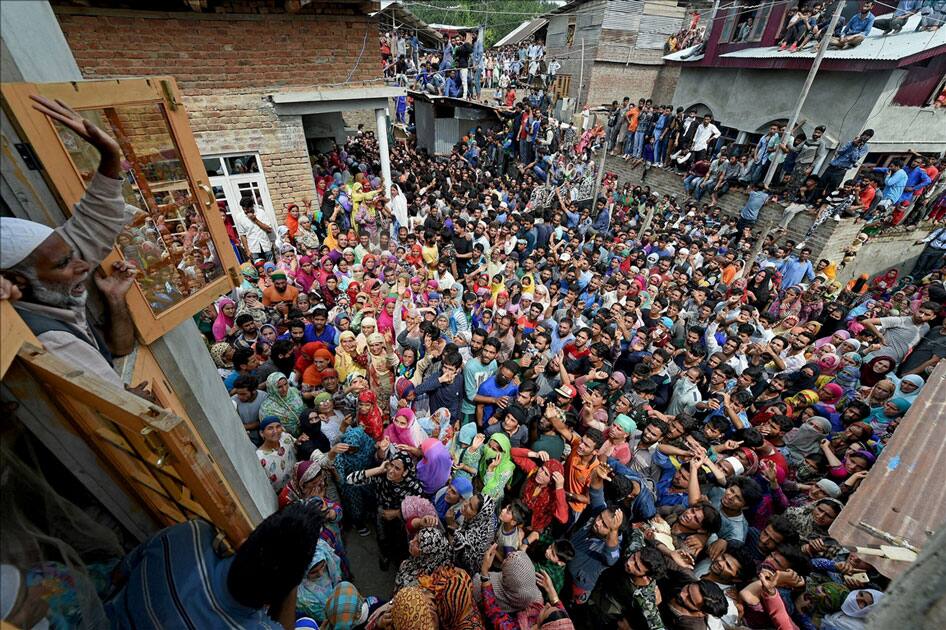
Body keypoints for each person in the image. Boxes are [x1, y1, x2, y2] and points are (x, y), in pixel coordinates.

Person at [1, 96, 137, 388]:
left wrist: (110, 156)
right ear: (18, 281)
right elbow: (124, 409)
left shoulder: (48, 292)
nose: (82, 266)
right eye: (64, 262)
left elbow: (93, 224)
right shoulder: (51, 340)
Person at [105, 502, 324, 628]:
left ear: (245, 541)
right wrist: (290, 585)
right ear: (275, 598)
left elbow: (118, 575)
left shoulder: (192, 534)